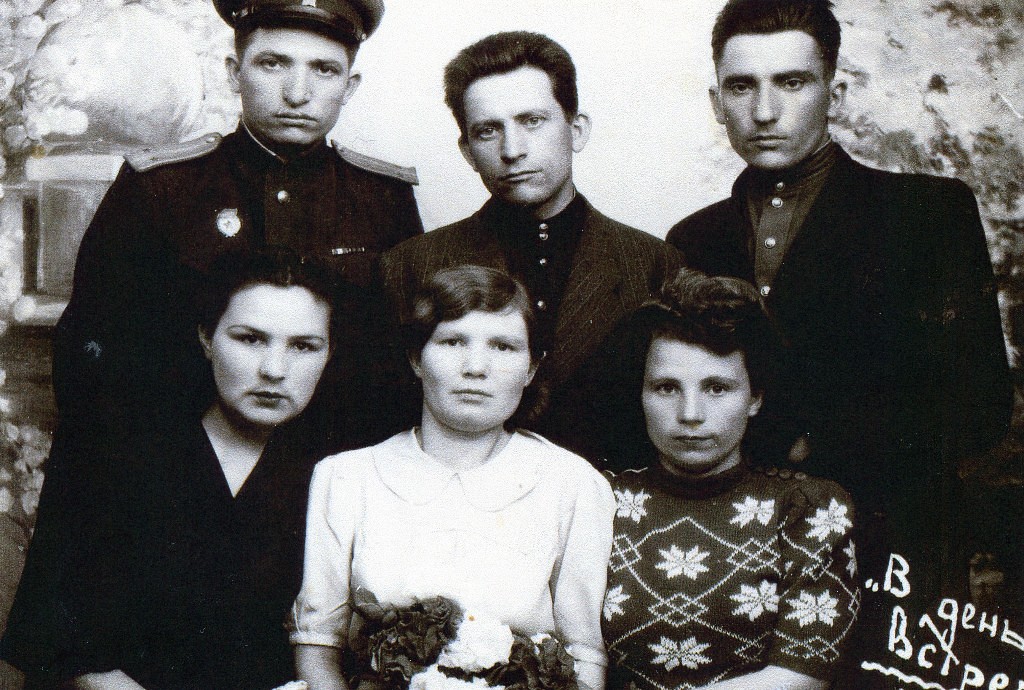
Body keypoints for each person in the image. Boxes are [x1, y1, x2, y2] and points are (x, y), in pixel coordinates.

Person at [4, 0, 420, 677]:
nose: (297, 91)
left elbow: (390, 383)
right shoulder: (163, 187)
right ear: (234, 71)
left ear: (351, 85)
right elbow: (92, 378)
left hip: (314, 511)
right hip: (166, 511)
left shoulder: (382, 200)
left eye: (323, 70)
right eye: (273, 63)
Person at [666, 0, 1011, 587]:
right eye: (742, 86)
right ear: (716, 103)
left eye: (792, 83)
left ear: (837, 94)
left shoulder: (928, 212)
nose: (764, 111)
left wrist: (809, 444)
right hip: (732, 550)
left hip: (891, 545)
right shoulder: (691, 239)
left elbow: (979, 406)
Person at [6, 248, 339, 688]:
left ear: (329, 354)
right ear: (207, 339)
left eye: (304, 346)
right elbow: (58, 640)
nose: (274, 370)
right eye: (250, 339)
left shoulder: (337, 474)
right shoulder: (116, 453)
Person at [288, 265, 616, 690]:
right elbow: (317, 647)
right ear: (416, 358)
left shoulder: (573, 483)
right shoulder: (345, 478)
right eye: (452, 341)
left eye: (503, 346)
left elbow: (584, 656)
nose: (476, 367)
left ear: (532, 369)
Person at [380, 31, 683, 463]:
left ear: (576, 130)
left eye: (532, 121)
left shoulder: (654, 263)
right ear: (467, 151)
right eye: (488, 131)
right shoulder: (410, 265)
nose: (512, 150)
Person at [601, 269, 859, 690]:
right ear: (641, 393)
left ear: (755, 397)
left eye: (717, 388)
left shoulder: (807, 506)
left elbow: (803, 675)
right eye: (666, 388)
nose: (690, 414)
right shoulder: (601, 497)